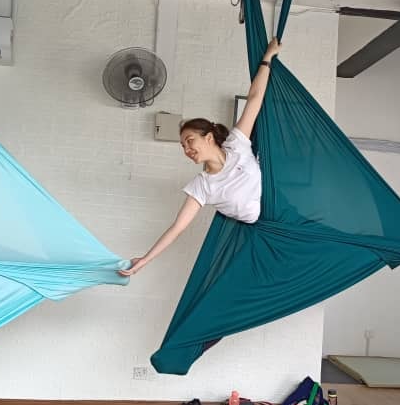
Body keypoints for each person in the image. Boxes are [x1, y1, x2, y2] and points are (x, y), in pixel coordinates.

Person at [119, 38, 281, 277]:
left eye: (190, 141)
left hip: (282, 210)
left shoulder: (237, 144)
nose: (186, 149)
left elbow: (255, 99)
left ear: (208, 137)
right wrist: (144, 261)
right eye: (183, 146)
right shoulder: (202, 186)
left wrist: (267, 58)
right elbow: (177, 228)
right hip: (264, 234)